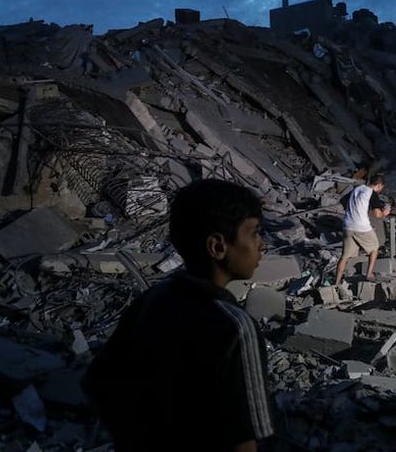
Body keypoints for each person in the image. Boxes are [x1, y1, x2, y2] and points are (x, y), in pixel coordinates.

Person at [81, 179, 274, 452]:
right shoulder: (236, 327)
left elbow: (97, 383)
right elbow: (243, 440)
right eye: (254, 233)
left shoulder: (155, 298)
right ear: (217, 247)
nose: (261, 244)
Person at [335, 174, 390, 285]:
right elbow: (377, 214)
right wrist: (385, 212)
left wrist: (354, 211)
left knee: (344, 256)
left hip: (347, 225)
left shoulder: (357, 189)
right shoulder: (372, 194)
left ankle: (336, 282)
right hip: (361, 227)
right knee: (374, 248)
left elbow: (343, 201)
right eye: (381, 188)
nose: (380, 190)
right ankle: (369, 274)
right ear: (379, 185)